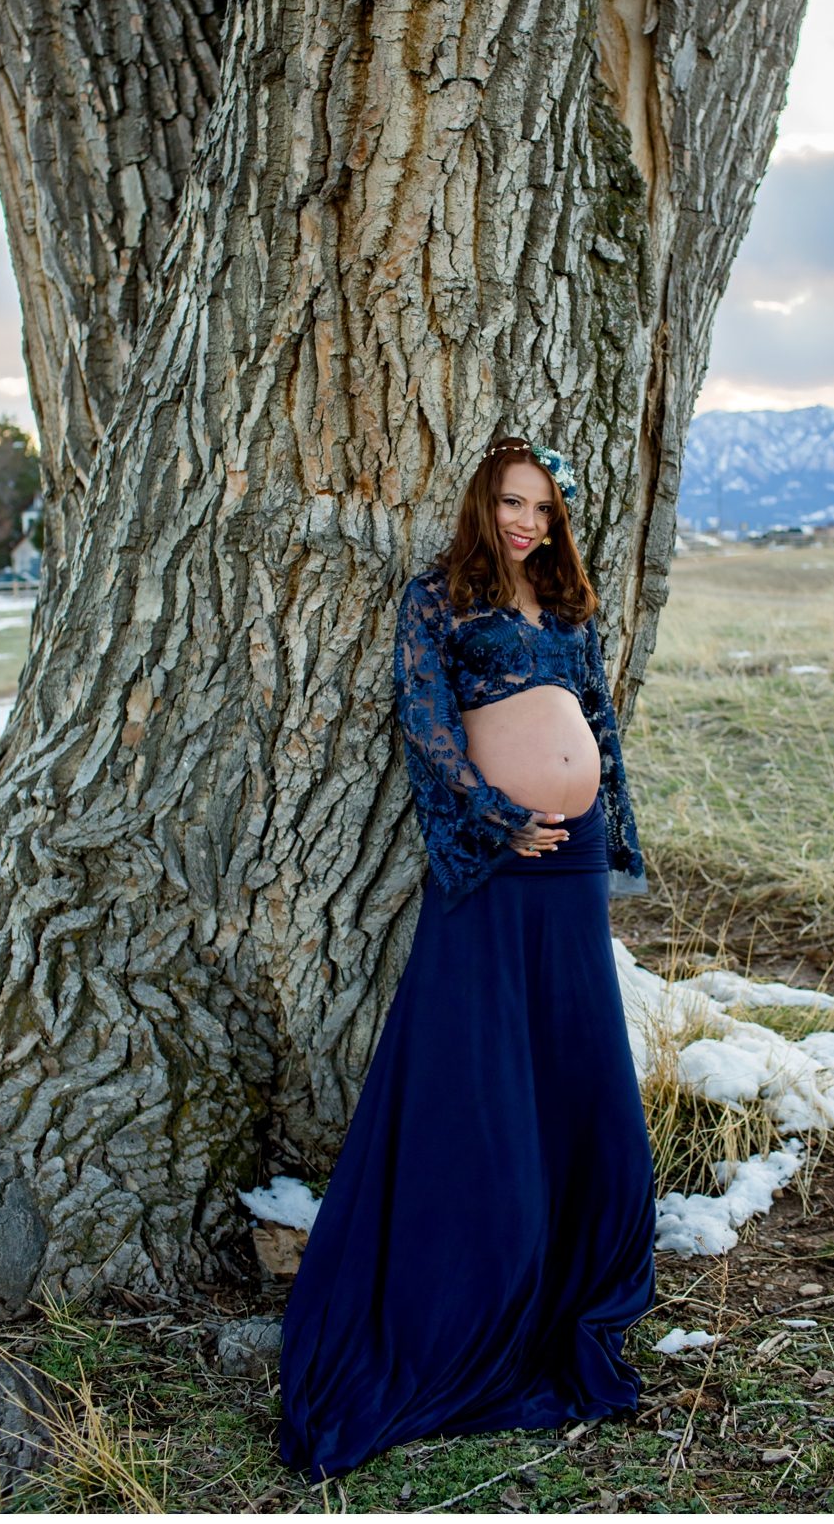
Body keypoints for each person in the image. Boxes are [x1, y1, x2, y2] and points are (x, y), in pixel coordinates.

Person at [279, 436, 654, 1479]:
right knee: (477, 1077)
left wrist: (606, 822)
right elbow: (426, 725)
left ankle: (568, 1282)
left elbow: (600, 723)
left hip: (568, 866)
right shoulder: (435, 596)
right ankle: (471, 1291)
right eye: (510, 503)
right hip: (494, 862)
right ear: (481, 507)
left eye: (541, 506)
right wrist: (495, 815)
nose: (527, 522)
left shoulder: (568, 603)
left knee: (573, 1069)